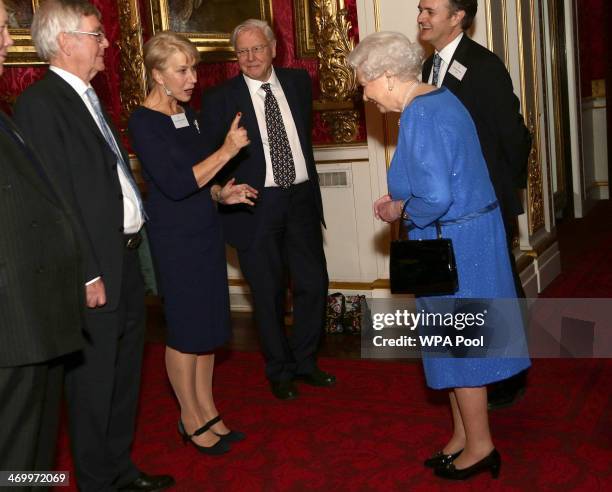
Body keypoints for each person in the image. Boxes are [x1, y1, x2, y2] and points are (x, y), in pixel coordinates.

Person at [348, 31, 531, 480]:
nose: (364, 95)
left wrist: (397, 208)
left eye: (364, 84)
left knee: (461, 348)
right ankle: (462, 435)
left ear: (387, 77)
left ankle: (481, 445)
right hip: (464, 236)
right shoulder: (441, 98)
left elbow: (435, 195)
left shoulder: (420, 115)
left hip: (453, 243)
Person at [13, 1, 173, 490]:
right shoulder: (41, 104)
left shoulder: (87, 96)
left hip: (121, 259)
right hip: (92, 270)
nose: (107, 43)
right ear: (66, 42)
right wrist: (86, 272)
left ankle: (119, 470)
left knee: (124, 378)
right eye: (96, 34)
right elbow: (57, 200)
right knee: (92, 385)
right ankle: (97, 481)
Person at [128, 31, 256, 455]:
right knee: (185, 331)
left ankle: (208, 411)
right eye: (182, 70)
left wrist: (223, 194)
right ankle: (189, 417)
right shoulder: (143, 122)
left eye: (194, 68)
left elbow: (202, 181)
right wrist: (227, 150)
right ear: (157, 74)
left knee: (206, 328)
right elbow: (178, 183)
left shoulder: (188, 115)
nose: (192, 78)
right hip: (175, 239)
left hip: (204, 231)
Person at [199, 19, 334, 401]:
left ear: (274, 48)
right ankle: (279, 369)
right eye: (242, 51)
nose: (250, 57)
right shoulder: (220, 99)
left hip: (302, 199)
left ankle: (306, 362)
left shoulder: (297, 83)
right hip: (255, 205)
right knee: (268, 291)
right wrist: (219, 189)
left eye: (257, 48)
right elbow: (210, 156)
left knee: (312, 283)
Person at [417, 0, 532, 409]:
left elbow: (515, 138)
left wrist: (502, 194)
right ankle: (470, 374)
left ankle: (507, 379)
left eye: (430, 10)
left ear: (458, 16)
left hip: (483, 206)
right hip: (446, 212)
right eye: (420, 9)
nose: (421, 18)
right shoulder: (427, 68)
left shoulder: (483, 65)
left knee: (497, 293)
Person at [0, 1, 83, 482]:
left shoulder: (5, 112)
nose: (12, 40)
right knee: (13, 453)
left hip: (35, 316)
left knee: (36, 453)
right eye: (2, 31)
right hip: (11, 321)